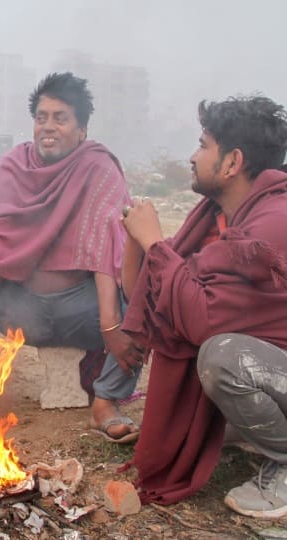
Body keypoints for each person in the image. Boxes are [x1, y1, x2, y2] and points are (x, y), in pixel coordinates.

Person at [0, 72, 143, 442]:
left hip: (83, 310)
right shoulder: (15, 166)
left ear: (81, 129)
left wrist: (111, 326)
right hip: (21, 306)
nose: (48, 127)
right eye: (41, 117)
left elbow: (105, 250)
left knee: (147, 290)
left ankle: (106, 402)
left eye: (60, 118)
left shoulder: (98, 167)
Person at [121, 96, 287, 517]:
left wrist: (155, 244)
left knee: (222, 359)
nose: (193, 158)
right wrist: (139, 242)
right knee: (219, 365)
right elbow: (157, 293)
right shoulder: (217, 219)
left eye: (202, 145)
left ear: (232, 162)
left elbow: (201, 320)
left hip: (270, 362)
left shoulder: (273, 222)